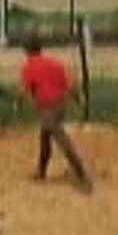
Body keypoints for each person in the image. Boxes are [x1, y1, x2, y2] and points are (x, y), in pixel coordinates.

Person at [19, 34, 94, 194]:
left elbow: (25, 89)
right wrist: (79, 99)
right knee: (45, 137)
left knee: (61, 139)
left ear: (27, 50)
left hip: (47, 108)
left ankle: (82, 172)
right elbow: (70, 83)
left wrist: (17, 102)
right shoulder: (55, 64)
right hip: (60, 105)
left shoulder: (29, 66)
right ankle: (41, 171)